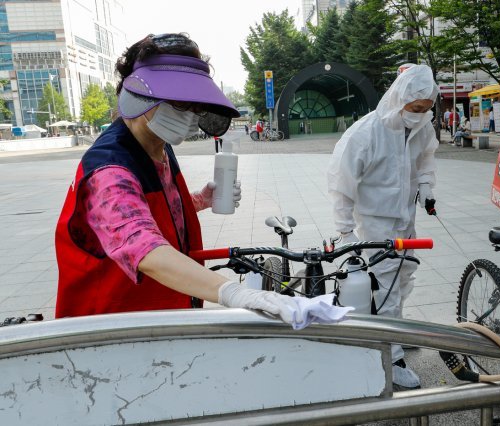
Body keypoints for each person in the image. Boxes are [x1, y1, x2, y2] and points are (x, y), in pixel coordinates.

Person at [54, 33, 349, 328]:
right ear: (138, 95)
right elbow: (143, 248)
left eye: (196, 107)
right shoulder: (109, 171)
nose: (191, 117)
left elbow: (145, 211)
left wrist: (198, 200)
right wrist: (233, 293)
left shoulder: (157, 144)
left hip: (163, 312)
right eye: (180, 104)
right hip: (111, 327)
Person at [328, 64, 439, 389]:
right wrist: (345, 232)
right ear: (400, 98)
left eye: (425, 109)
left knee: (403, 280)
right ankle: (391, 358)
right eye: (415, 108)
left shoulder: (422, 128)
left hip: (405, 218)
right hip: (375, 225)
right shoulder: (366, 133)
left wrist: (427, 188)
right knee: (386, 287)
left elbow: (426, 158)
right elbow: (341, 183)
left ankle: (396, 333)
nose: (419, 115)